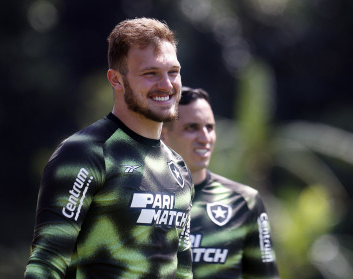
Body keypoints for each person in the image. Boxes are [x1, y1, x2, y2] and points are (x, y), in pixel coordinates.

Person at [24, 18, 195, 279]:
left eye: (173, 72)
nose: (166, 85)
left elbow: (183, 270)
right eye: (150, 74)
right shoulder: (85, 153)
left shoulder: (179, 169)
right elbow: (47, 263)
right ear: (116, 80)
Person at [161, 87, 280, 278]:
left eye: (209, 127)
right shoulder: (135, 198)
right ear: (163, 134)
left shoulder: (244, 202)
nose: (205, 138)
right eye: (192, 127)